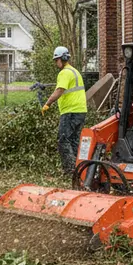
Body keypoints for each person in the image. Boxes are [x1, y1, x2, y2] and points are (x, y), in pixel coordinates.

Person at [41, 46, 87, 175]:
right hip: (81, 111)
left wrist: (47, 104)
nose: (56, 63)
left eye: (56, 60)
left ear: (63, 58)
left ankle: (70, 170)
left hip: (70, 112)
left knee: (63, 139)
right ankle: (79, 169)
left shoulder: (65, 73)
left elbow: (59, 90)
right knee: (74, 140)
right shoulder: (75, 71)